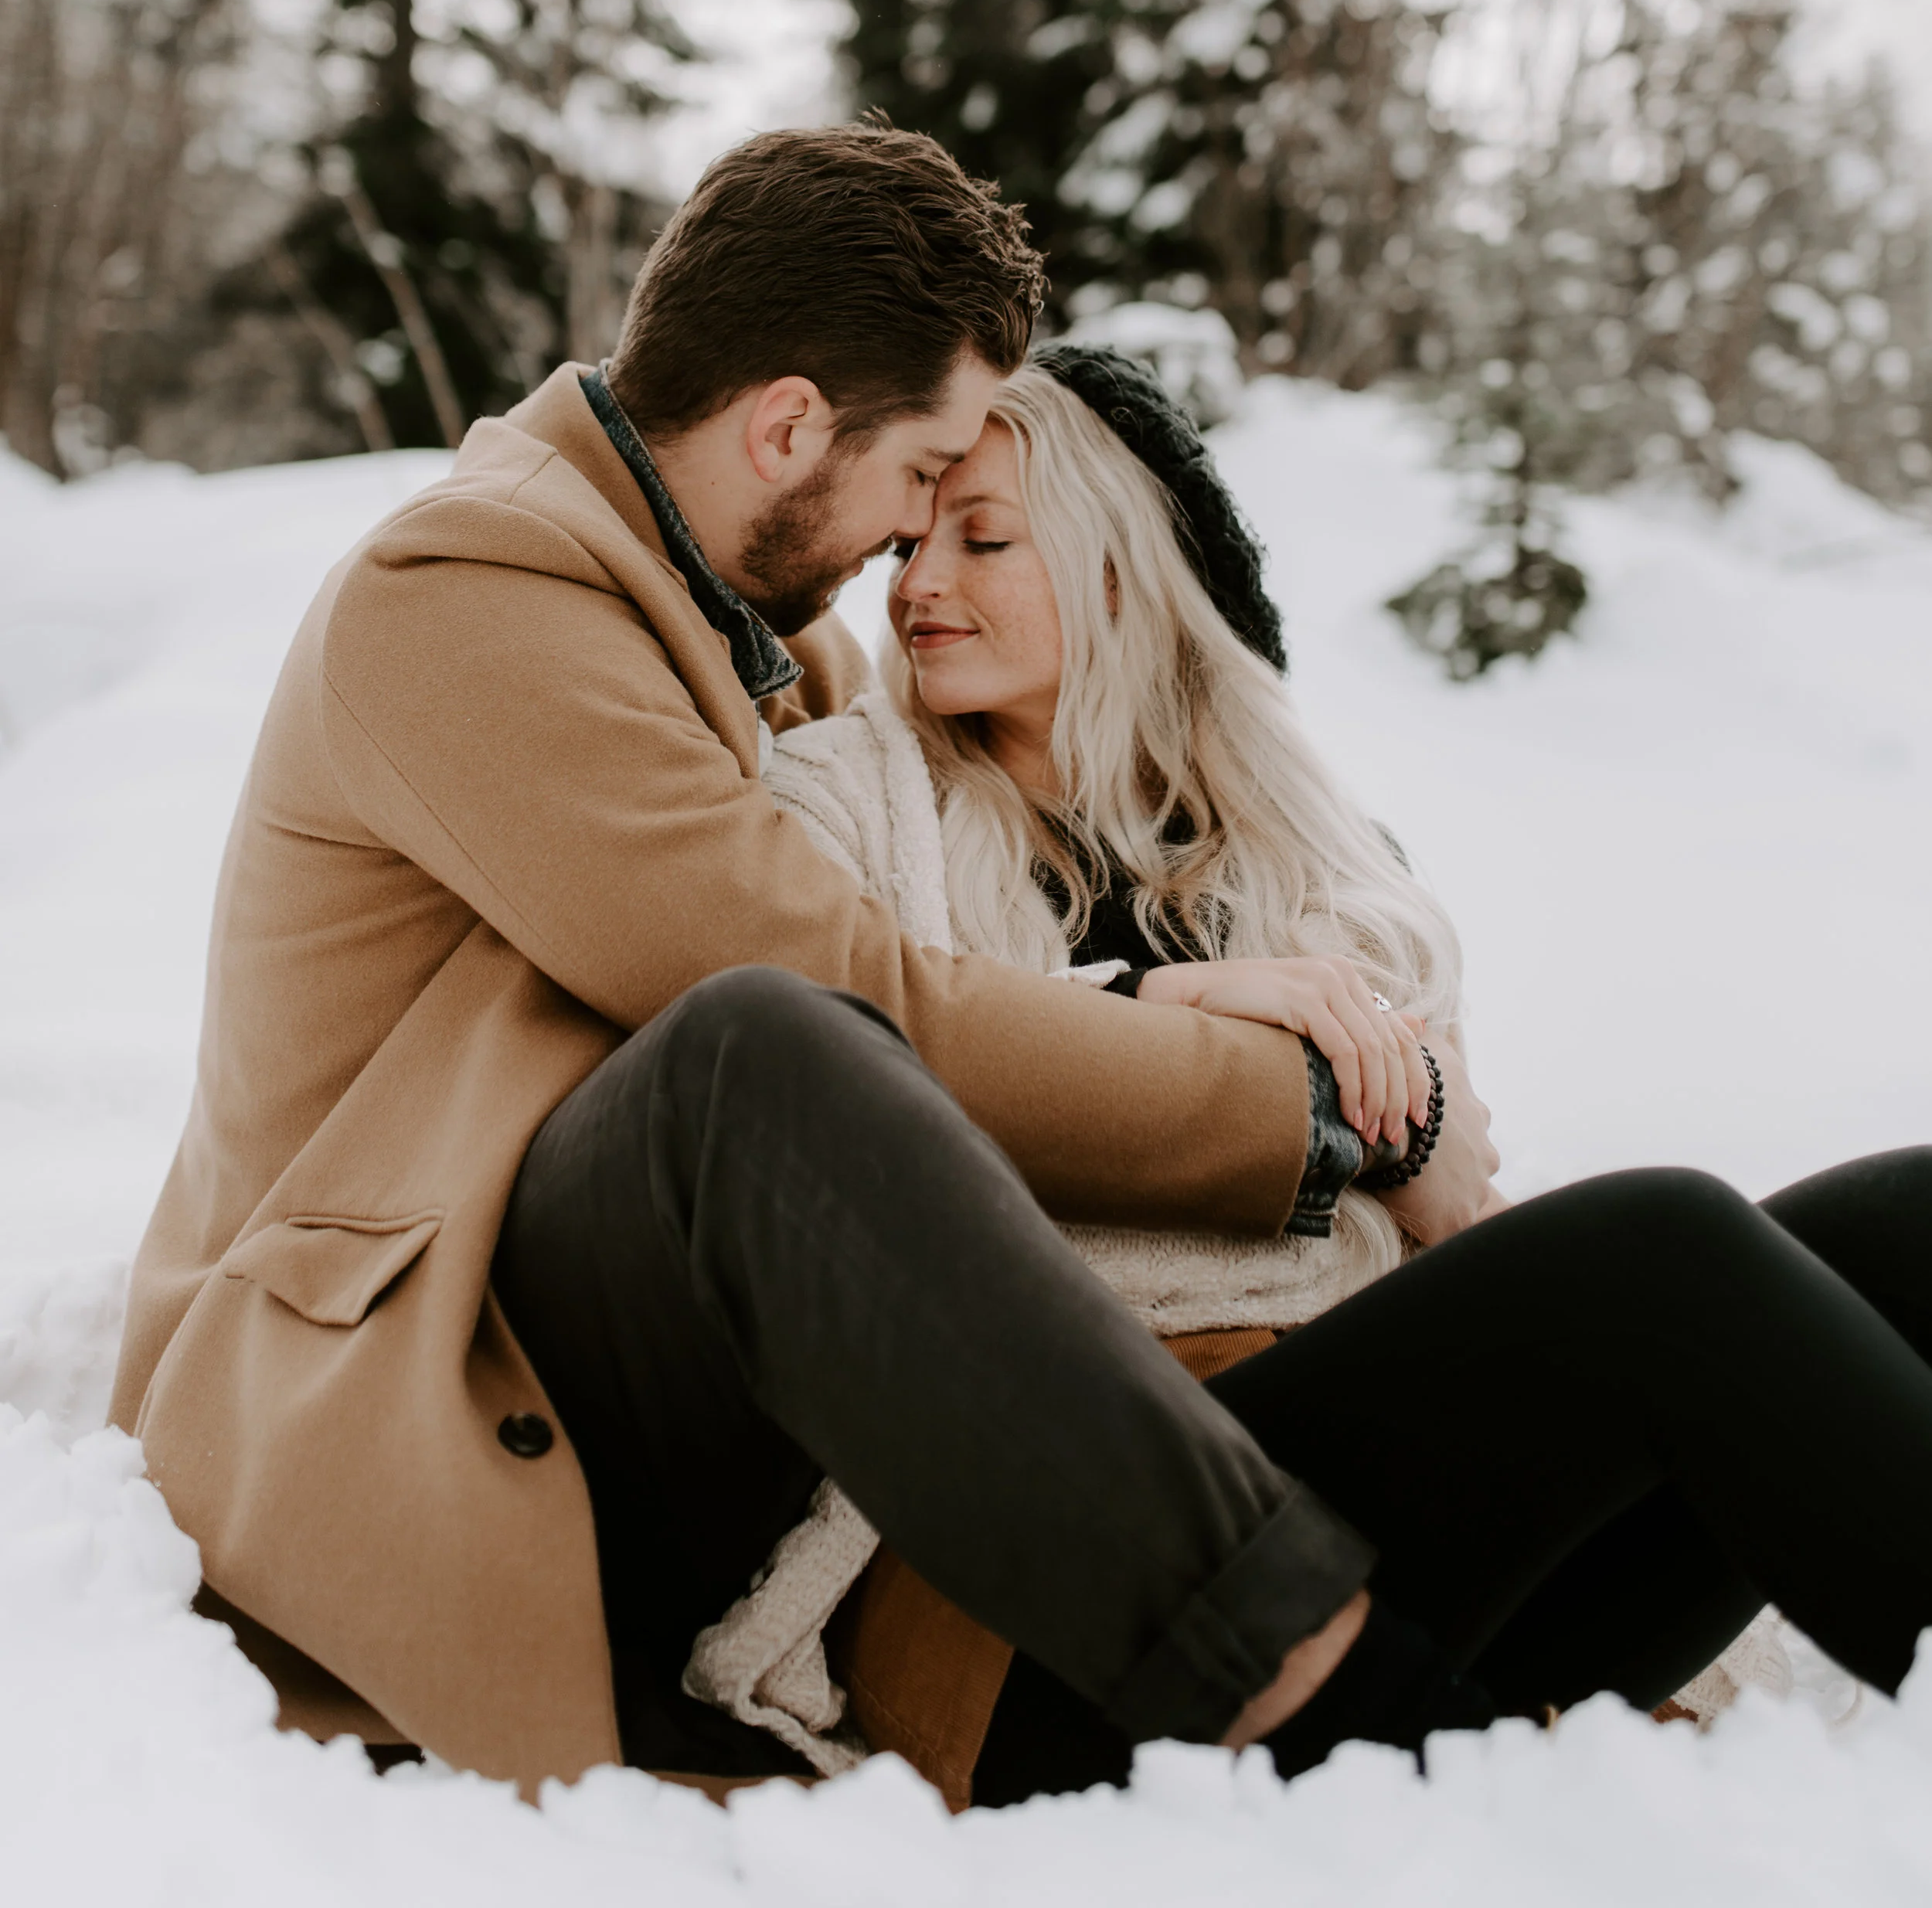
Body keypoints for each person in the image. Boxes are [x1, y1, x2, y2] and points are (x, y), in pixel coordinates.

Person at [113, 121, 1932, 1815]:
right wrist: (1315, 1106)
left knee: (1885, 1226)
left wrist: (1368, 1097)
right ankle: (1337, 1711)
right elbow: (861, 1001)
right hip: (404, 1354)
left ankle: (1422, 1693)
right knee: (772, 1043)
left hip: (1064, 1405)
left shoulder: (766, 652)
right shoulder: (472, 601)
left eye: (975, 525)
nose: (909, 563)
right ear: (785, 425)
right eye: (922, 485)